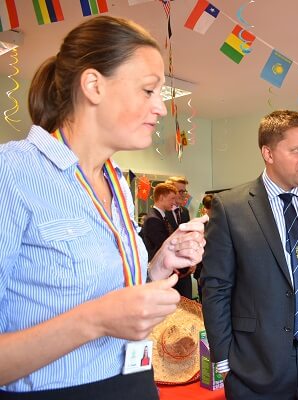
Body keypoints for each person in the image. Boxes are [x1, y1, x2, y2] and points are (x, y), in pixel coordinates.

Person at [0, 16, 208, 399]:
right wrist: (94, 321)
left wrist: (159, 264)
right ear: (94, 85)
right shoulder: (11, 172)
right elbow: (101, 312)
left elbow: (115, 295)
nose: (161, 109)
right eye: (148, 90)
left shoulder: (116, 184)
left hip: (133, 382)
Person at [200, 110, 298, 399]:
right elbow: (216, 288)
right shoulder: (231, 207)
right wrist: (224, 358)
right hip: (256, 364)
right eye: (297, 150)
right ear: (268, 153)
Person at [142, 183, 179, 260]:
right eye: (172, 198)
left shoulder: (162, 217)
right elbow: (164, 246)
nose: (174, 202)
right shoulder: (153, 220)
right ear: (161, 197)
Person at [193, 194, 213, 303]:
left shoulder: (221, 223)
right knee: (203, 301)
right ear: (205, 209)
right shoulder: (200, 225)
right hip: (202, 270)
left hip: (216, 270)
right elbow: (198, 250)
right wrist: (200, 273)